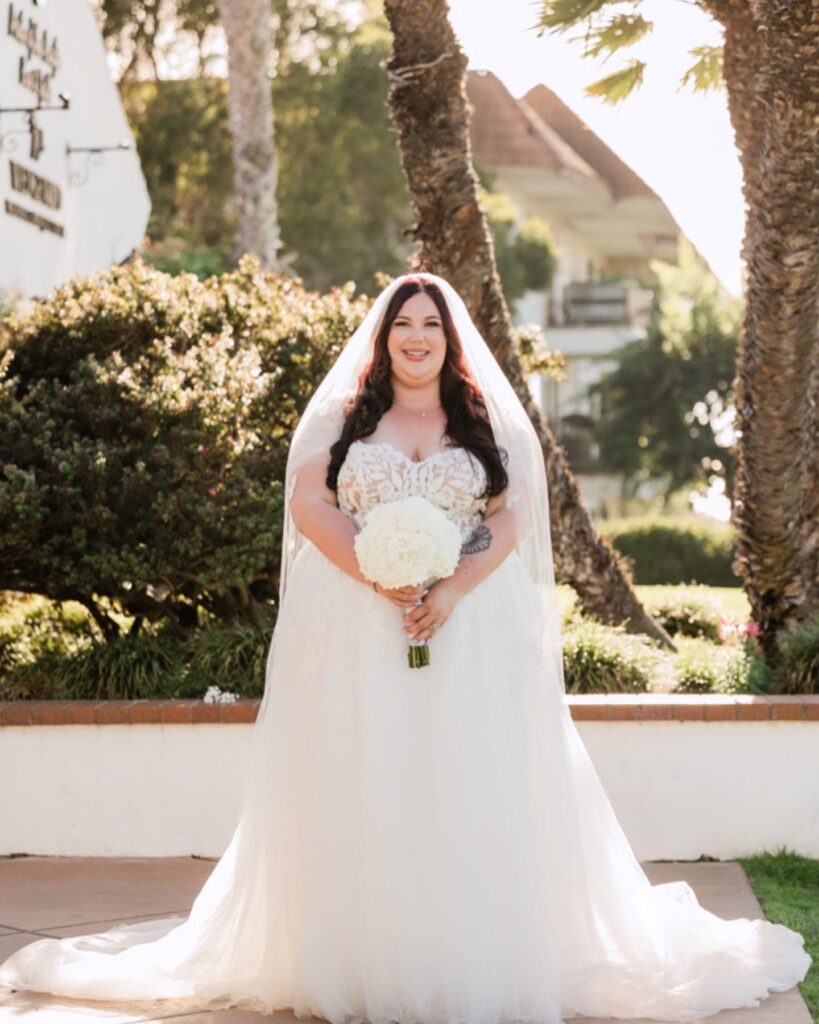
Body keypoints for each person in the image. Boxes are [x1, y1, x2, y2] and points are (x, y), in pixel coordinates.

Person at [0, 272, 811, 1023]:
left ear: (451, 342)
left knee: (465, 778)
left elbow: (512, 512)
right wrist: (374, 574)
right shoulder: (348, 418)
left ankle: (469, 950)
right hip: (360, 628)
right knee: (371, 773)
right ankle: (364, 957)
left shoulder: (477, 421)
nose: (416, 337)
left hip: (467, 633)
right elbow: (308, 499)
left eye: (431, 324)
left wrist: (452, 589)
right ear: (383, 338)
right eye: (403, 325)